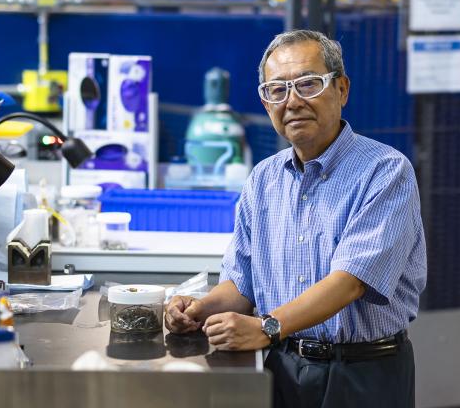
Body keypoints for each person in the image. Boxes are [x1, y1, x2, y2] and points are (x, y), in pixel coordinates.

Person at [165, 30, 426, 408]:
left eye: (307, 84)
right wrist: (198, 308)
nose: (293, 101)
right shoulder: (263, 178)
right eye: (277, 90)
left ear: (342, 89)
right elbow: (242, 282)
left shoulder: (385, 171)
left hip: (363, 373)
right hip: (281, 366)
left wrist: (266, 326)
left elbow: (350, 283)